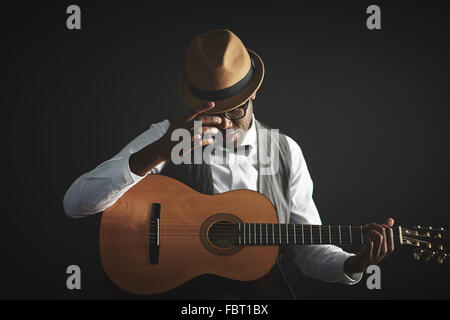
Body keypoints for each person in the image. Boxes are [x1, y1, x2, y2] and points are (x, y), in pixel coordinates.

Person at [63, 29, 394, 299]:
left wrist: (354, 263)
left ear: (252, 96)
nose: (224, 124)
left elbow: (308, 251)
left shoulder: (285, 151)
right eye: (212, 113)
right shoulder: (165, 137)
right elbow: (75, 204)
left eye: (234, 110)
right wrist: (158, 152)